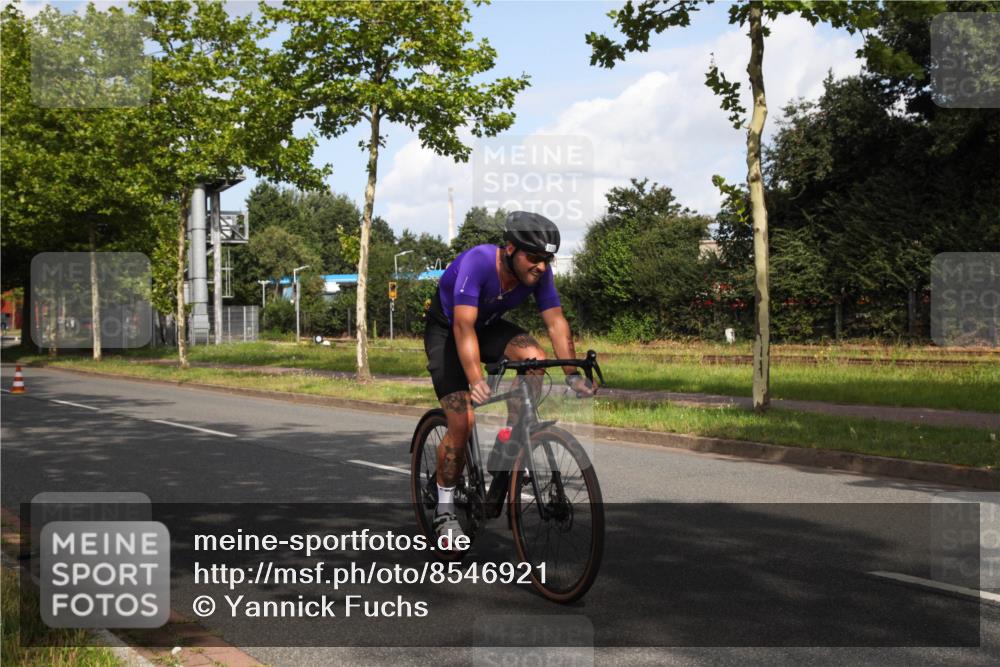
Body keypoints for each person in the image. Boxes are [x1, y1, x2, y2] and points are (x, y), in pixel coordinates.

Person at [423, 211, 595, 549]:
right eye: (534, 257)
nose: (541, 267)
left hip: (485, 329)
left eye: (547, 259)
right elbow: (462, 327)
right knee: (462, 420)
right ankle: (444, 511)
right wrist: (474, 378)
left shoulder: (539, 273)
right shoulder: (479, 262)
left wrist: (573, 375)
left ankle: (508, 450)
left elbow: (556, 322)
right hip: (448, 331)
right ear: (511, 248)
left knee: (534, 358)